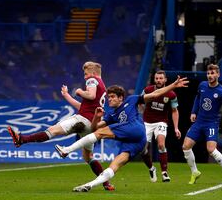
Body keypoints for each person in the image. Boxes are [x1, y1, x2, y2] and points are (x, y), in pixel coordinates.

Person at [54, 76, 188, 192]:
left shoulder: (132, 99)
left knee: (102, 133)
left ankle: (67, 149)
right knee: (115, 164)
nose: (109, 100)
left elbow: (154, 94)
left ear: (121, 98)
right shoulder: (111, 115)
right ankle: (90, 185)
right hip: (135, 142)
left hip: (135, 128)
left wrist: (173, 85)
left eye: (112, 97)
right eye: (108, 97)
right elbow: (94, 128)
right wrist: (96, 117)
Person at [7, 61, 115, 191]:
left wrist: (79, 91)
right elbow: (83, 107)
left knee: (52, 131)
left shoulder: (92, 80)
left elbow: (90, 95)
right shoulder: (102, 86)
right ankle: (106, 183)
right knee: (88, 157)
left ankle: (22, 139)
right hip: (91, 124)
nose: (85, 77)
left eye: (86, 74)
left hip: (82, 120)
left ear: (93, 73)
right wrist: (67, 96)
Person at [182, 64, 222, 184]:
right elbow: (197, 98)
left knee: (211, 149)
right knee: (185, 146)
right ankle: (195, 172)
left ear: (218, 74)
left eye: (212, 73)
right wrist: (193, 112)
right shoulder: (202, 85)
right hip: (199, 122)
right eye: (208, 73)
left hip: (211, 123)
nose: (210, 76)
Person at [140, 70, 181, 182]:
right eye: (157, 78)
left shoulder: (171, 94)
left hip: (161, 122)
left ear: (165, 80)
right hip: (147, 122)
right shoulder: (148, 90)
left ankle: (164, 173)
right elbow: (139, 102)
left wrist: (176, 128)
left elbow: (174, 111)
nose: (158, 80)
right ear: (154, 79)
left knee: (161, 145)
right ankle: (151, 168)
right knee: (142, 149)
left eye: (161, 78)